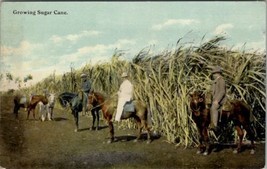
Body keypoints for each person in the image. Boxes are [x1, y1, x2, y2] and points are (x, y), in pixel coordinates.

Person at [209, 66, 227, 132]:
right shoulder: (214, 82)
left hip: (221, 100)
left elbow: (222, 91)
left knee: (214, 107)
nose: (213, 75)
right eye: (213, 74)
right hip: (214, 99)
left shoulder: (221, 80)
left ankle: (214, 125)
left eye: (214, 73)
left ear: (218, 73)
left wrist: (217, 100)